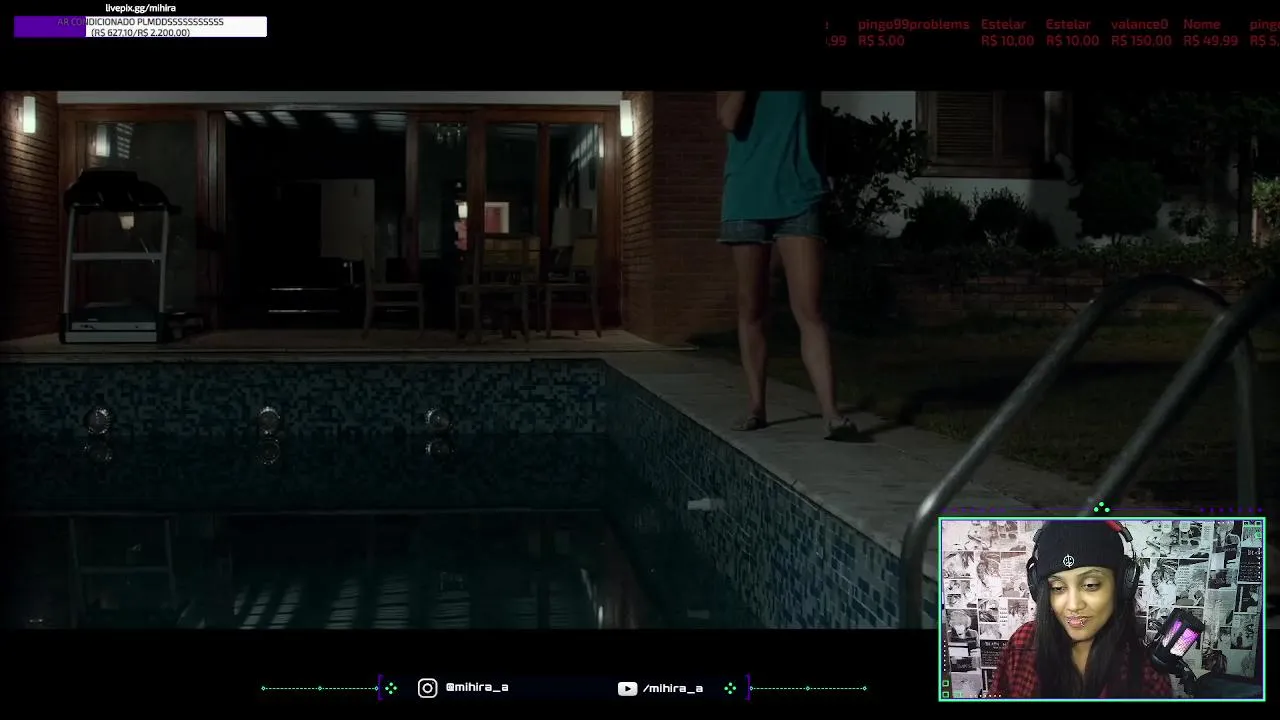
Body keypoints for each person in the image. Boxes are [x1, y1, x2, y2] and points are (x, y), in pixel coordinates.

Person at [716, 91, 858, 441]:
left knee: (810, 308)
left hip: (799, 195)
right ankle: (756, 407)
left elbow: (816, 122)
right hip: (747, 195)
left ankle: (831, 414)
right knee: (751, 306)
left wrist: (822, 171)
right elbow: (729, 119)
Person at [988, 520, 1173, 698]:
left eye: (1091, 585)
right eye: (1058, 588)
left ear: (1122, 585)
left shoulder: (1147, 674)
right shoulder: (1022, 643)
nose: (1074, 605)